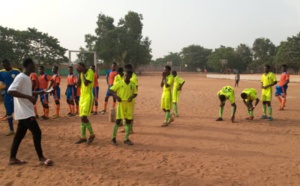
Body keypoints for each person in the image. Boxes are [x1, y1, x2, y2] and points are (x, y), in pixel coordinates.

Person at [7, 58, 53, 166]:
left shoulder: (27, 78)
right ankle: (41, 157)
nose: (35, 66)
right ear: (28, 65)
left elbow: (26, 91)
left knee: (19, 136)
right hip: (25, 112)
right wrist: (29, 97)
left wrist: (40, 92)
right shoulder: (21, 77)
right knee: (37, 132)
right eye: (33, 65)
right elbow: (10, 91)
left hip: (25, 112)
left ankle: (12, 158)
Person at [110, 71, 137, 145]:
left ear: (130, 77)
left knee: (128, 121)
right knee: (118, 121)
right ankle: (113, 138)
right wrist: (116, 96)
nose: (126, 77)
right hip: (121, 103)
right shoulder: (119, 83)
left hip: (129, 104)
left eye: (127, 76)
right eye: (125, 75)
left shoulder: (132, 84)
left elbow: (135, 93)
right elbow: (111, 90)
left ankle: (126, 139)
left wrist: (131, 97)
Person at [75, 63, 95, 144]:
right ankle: (83, 137)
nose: (78, 69)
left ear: (83, 67)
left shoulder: (90, 72)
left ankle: (92, 134)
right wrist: (79, 74)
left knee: (84, 117)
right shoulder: (81, 73)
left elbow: (86, 83)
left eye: (79, 68)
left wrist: (82, 73)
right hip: (82, 97)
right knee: (81, 118)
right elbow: (78, 84)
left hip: (88, 97)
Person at [0, 59, 20, 136]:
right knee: (8, 112)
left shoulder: (17, 71)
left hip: (16, 94)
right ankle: (11, 129)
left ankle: (20, 129)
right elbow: (1, 84)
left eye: (6, 65)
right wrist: (1, 92)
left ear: (9, 64)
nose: (5, 66)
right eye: (3, 65)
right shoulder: (1, 72)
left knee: (18, 111)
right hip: (7, 95)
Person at [123, 64, 138, 133]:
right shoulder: (125, 76)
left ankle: (130, 129)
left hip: (130, 98)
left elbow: (135, 88)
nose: (126, 71)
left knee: (130, 114)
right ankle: (125, 128)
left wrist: (131, 97)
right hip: (124, 98)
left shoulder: (134, 77)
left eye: (127, 70)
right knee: (125, 114)